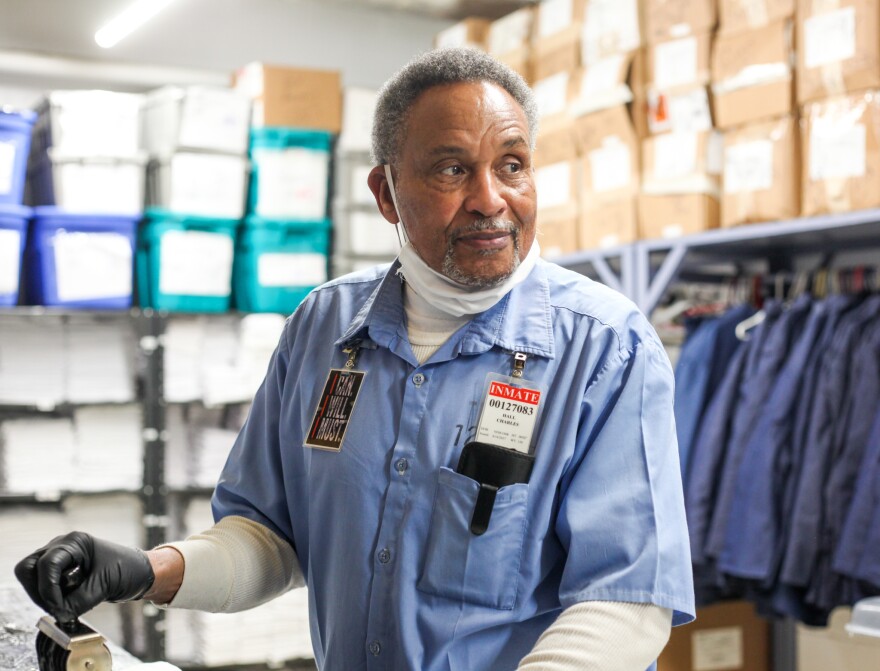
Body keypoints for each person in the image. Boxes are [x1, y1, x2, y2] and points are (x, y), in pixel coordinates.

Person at [16, 47, 695, 670]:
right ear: (385, 191)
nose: (491, 199)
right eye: (453, 168)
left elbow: (625, 602)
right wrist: (145, 569)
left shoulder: (605, 349)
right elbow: (269, 537)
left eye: (512, 165)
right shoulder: (325, 328)